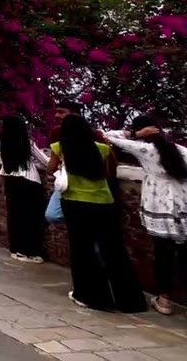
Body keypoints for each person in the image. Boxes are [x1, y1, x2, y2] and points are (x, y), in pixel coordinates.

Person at [47, 113, 146, 312]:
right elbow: (110, 173)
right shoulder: (103, 149)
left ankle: (92, 296)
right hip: (103, 203)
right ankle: (130, 301)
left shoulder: (60, 148)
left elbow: (50, 169)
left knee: (82, 251)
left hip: (75, 203)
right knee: (114, 250)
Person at [104, 115, 187, 315]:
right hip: (183, 206)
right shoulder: (182, 151)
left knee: (163, 253)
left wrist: (134, 134)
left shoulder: (146, 150)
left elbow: (105, 135)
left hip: (160, 207)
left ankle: (165, 298)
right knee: (184, 254)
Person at [0, 115, 49, 263]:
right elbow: (45, 162)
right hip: (28, 182)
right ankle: (29, 251)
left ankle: (16, 249)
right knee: (30, 218)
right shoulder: (26, 143)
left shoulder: (4, 144)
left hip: (11, 181)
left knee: (15, 216)